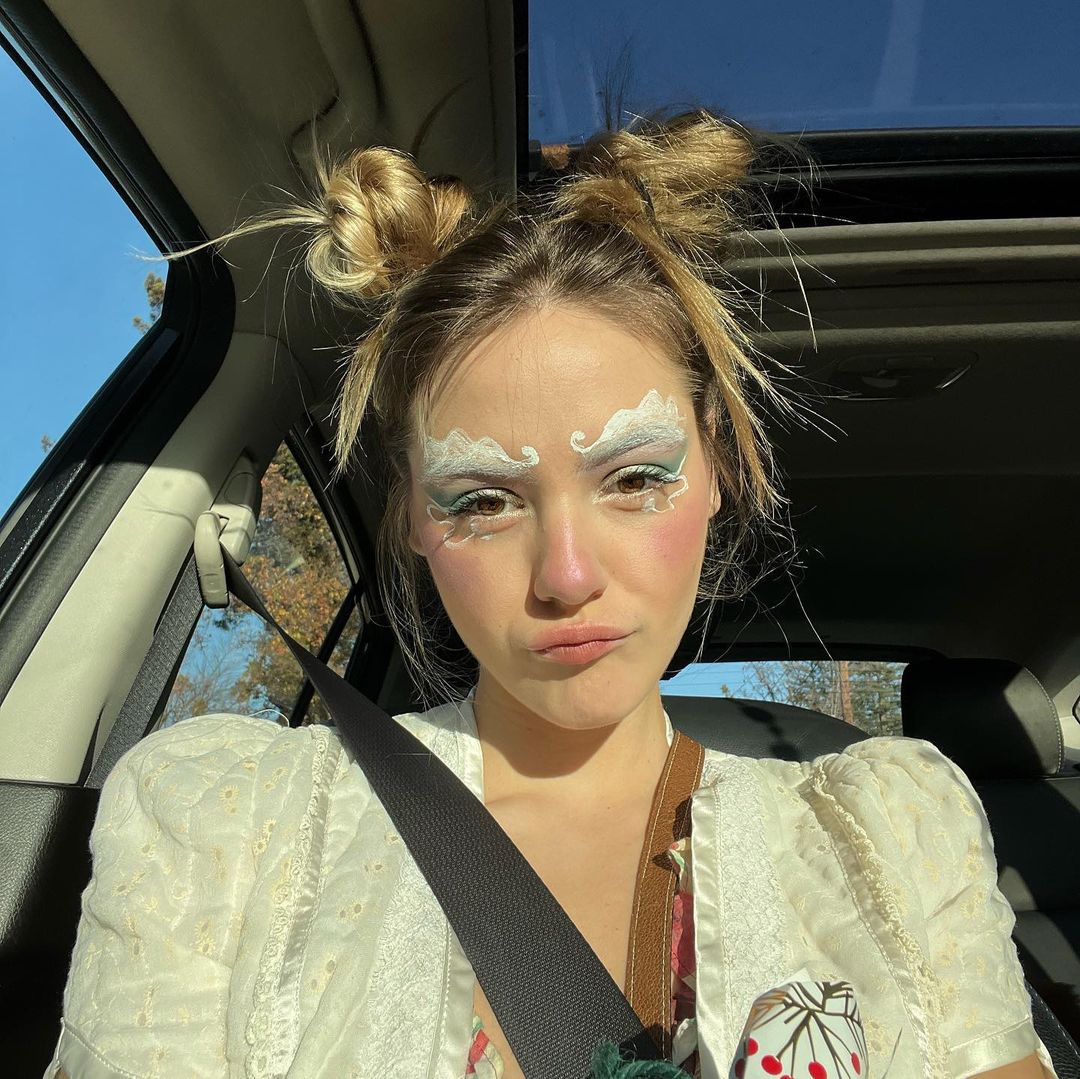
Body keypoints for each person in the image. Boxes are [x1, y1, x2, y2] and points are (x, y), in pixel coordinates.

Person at [47, 112, 1055, 1078]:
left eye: (635, 477)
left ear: (715, 468)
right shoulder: (228, 832)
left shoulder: (892, 839)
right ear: (411, 513)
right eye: (484, 499)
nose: (567, 575)